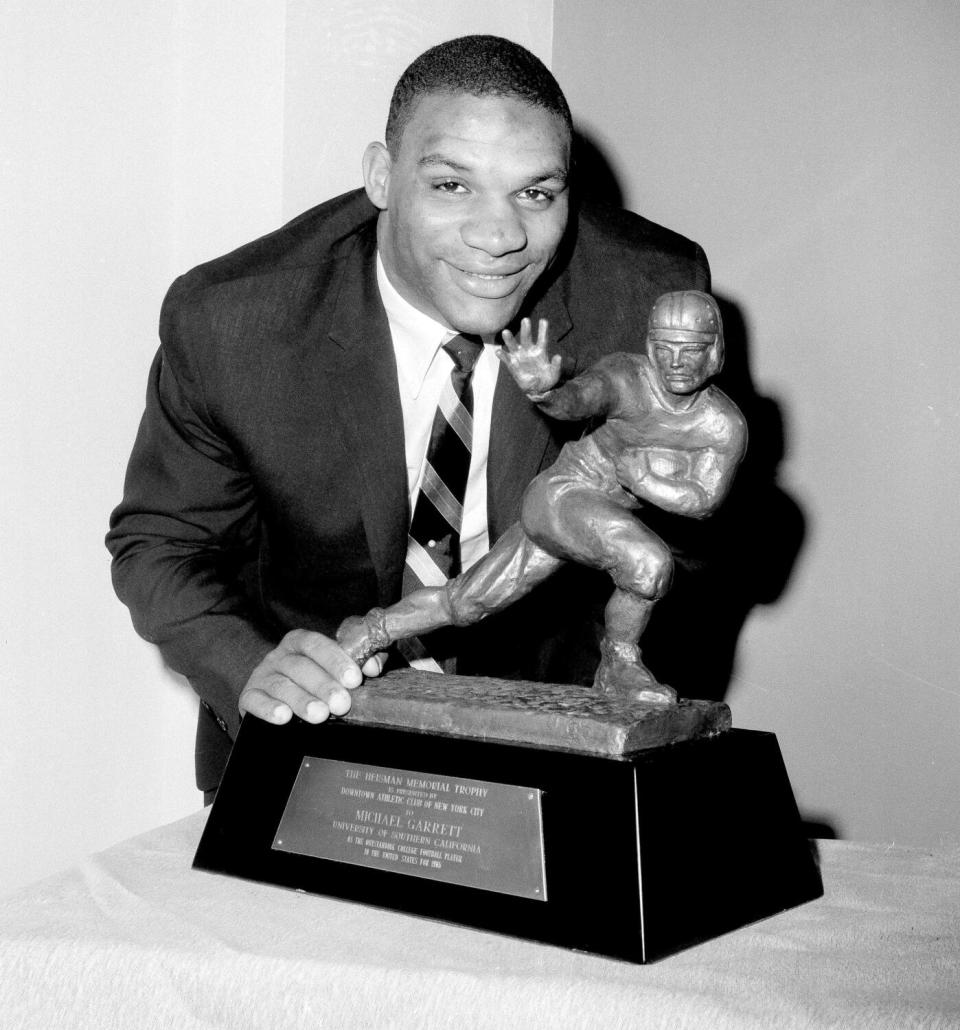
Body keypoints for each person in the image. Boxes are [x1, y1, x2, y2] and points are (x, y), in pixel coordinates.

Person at [106, 35, 710, 798]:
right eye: (453, 185)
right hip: (304, 746)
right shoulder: (235, 322)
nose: (499, 237)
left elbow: (696, 550)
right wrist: (252, 665)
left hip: (559, 751)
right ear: (382, 178)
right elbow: (160, 545)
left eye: (536, 193)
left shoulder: (646, 303)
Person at [337, 291, 747, 703]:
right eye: (664, 348)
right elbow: (585, 396)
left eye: (690, 350)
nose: (674, 363)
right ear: (649, 347)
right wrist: (547, 393)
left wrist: (646, 483)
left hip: (590, 521)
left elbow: (704, 501)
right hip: (562, 496)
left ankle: (374, 630)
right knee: (648, 564)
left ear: (714, 352)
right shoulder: (629, 379)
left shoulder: (722, 425)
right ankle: (619, 664)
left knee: (467, 603)